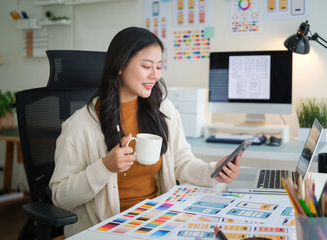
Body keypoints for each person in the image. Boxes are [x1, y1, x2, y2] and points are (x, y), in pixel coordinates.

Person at [49, 26, 242, 237]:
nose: (155, 75)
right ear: (120, 67)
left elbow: (182, 162)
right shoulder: (80, 125)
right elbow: (60, 197)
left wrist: (215, 172)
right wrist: (104, 167)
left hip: (156, 219)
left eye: (159, 67)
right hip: (109, 228)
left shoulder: (163, 109)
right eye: (146, 66)